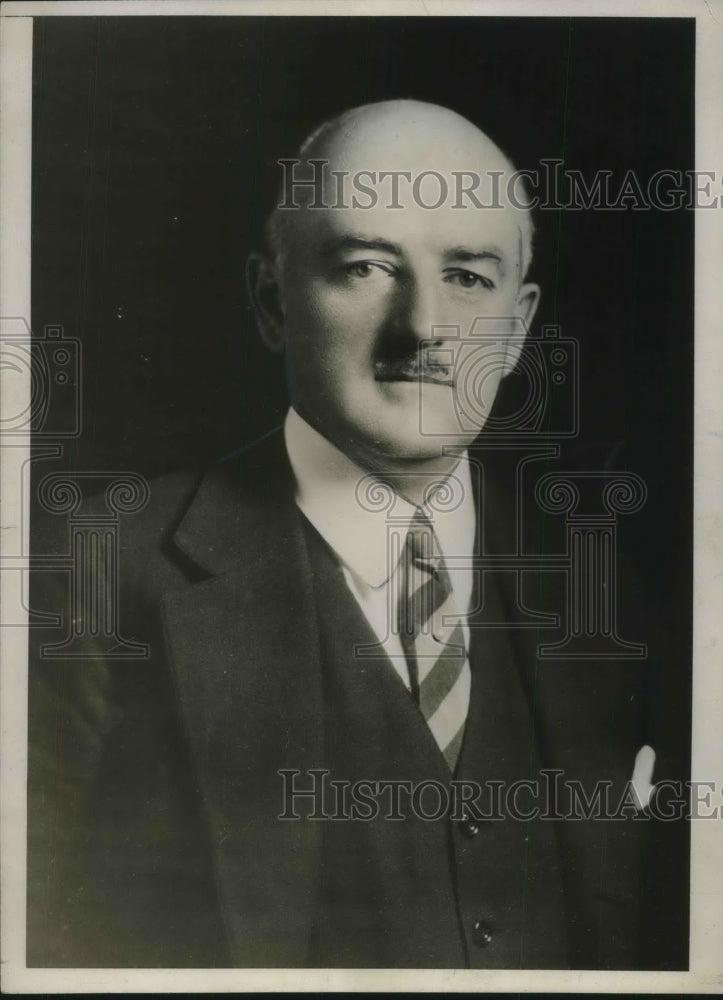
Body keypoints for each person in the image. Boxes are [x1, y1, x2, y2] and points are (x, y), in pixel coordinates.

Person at [27, 100, 668, 969]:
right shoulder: (95, 567)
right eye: (366, 267)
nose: (422, 328)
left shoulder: (622, 581)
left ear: (516, 330)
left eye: (469, 277)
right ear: (271, 301)